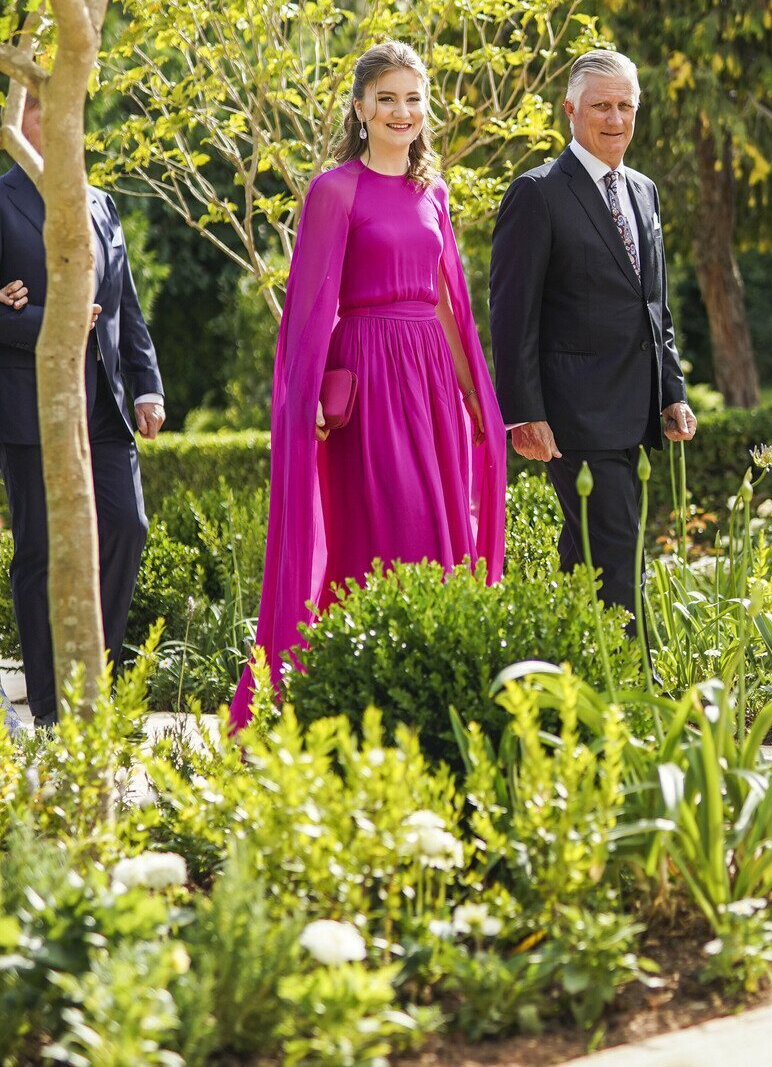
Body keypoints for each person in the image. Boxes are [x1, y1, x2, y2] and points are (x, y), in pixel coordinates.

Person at [230, 41, 506, 728]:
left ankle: (433, 704)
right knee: (387, 530)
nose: (401, 111)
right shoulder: (334, 190)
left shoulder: (433, 192)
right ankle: (355, 702)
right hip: (372, 380)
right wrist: (310, 394)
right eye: (386, 97)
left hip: (432, 383)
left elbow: (447, 303)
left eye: (413, 98)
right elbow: (309, 307)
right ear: (359, 108)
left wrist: (474, 395)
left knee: (441, 535)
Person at [489, 49, 697, 621]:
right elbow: (511, 314)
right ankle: (639, 699)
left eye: (625, 106)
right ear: (570, 110)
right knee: (620, 551)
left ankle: (564, 680)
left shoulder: (645, 191)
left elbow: (654, 303)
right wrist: (523, 413)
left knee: (587, 560)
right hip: (574, 415)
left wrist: (672, 391)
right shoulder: (537, 193)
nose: (615, 119)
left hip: (634, 410)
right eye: (601, 106)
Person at [0, 93, 165, 727]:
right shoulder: (2, 199)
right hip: (30, 408)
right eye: (44, 103)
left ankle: (91, 687)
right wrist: (50, 321)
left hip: (104, 408)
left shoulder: (100, 202)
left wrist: (146, 386)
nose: (66, 113)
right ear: (18, 120)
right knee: (40, 550)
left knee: (128, 528)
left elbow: (127, 306)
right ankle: (49, 708)